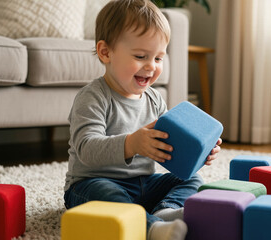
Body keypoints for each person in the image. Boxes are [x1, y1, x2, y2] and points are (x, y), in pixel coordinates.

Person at [63, 1, 222, 239]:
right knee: (106, 193)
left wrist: (197, 153)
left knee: (192, 180)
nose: (151, 66)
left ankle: (166, 211)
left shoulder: (155, 99)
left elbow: (169, 148)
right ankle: (151, 228)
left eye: (158, 58)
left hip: (145, 183)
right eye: (140, 56)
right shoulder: (93, 97)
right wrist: (131, 144)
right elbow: (86, 148)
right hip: (92, 183)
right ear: (106, 52)